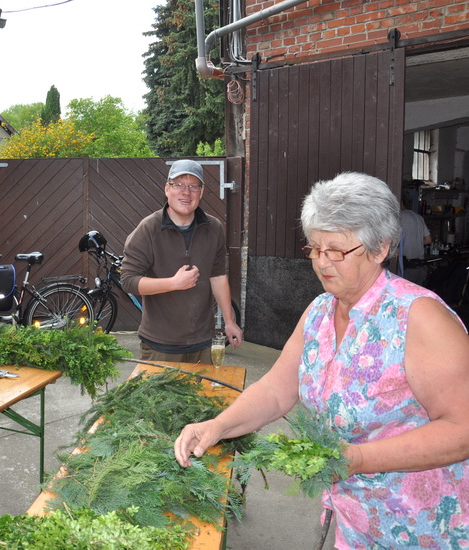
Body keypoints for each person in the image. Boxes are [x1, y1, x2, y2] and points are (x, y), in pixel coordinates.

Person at [174, 172, 469, 548]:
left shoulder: (419, 318)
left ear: (380, 248)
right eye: (314, 248)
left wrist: (358, 458)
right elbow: (279, 390)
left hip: (424, 526)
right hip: (355, 521)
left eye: (337, 250)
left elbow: (462, 428)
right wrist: (217, 426)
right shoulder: (320, 311)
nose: (322, 263)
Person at [120, 159, 243, 364]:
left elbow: (218, 276)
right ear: (167, 189)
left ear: (201, 193)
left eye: (193, 186)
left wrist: (229, 321)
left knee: (202, 396)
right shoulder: (148, 229)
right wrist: (173, 283)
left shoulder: (214, 228)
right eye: (178, 185)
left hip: (203, 344)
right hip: (160, 345)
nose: (186, 192)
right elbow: (128, 281)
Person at [398, 193, 432, 285]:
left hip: (408, 268)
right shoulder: (418, 217)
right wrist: (415, 243)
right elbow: (428, 240)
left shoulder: (399, 217)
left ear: (400, 203)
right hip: (421, 267)